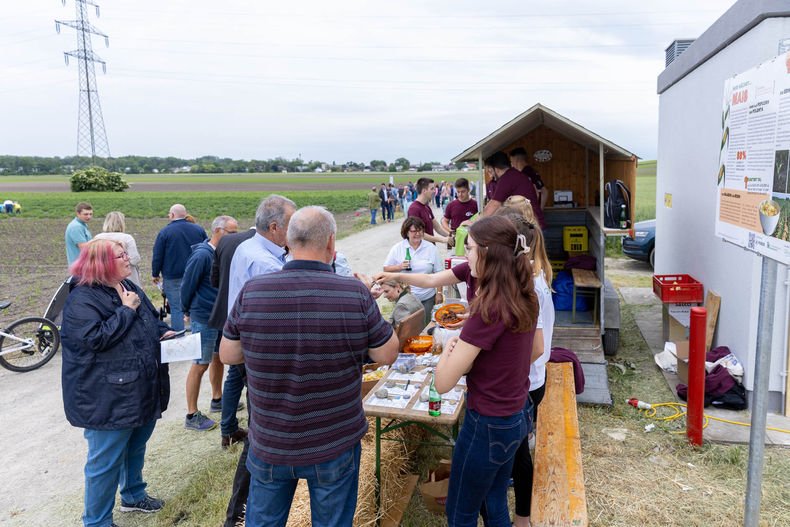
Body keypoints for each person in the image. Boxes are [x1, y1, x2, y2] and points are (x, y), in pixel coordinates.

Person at [219, 206, 398, 527]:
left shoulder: (253, 291)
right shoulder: (355, 293)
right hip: (334, 441)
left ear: (288, 241)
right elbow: (387, 354)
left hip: (271, 441)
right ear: (331, 243)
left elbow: (228, 355)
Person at [433, 216, 541, 527]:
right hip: (517, 416)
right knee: (493, 501)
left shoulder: (487, 308)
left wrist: (447, 352)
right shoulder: (524, 293)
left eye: (467, 249)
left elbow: (443, 383)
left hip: (487, 424)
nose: (464, 256)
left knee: (460, 513)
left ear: (487, 252)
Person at [61, 239, 176, 527]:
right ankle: (97, 521)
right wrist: (125, 311)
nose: (128, 258)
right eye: (120, 255)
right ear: (102, 263)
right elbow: (93, 339)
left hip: (138, 387)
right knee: (104, 463)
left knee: (136, 446)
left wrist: (163, 332)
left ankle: (133, 495)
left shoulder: (129, 287)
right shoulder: (82, 298)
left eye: (126, 253)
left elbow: (150, 318)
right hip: (107, 395)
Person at [494, 208, 554, 527]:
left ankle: (523, 518)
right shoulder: (527, 276)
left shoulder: (531, 285)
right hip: (528, 378)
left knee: (519, 454)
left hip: (528, 381)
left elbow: (537, 347)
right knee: (515, 448)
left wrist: (500, 367)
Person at [208, 224, 256, 527]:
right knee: (242, 382)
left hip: (229, 322)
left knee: (232, 379)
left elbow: (215, 280)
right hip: (248, 336)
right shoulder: (265, 257)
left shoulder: (227, 242)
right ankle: (235, 428)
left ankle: (227, 428)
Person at [180, 215, 239, 432]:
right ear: (217, 231)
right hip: (203, 317)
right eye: (231, 233)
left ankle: (217, 399)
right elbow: (187, 285)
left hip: (218, 316)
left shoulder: (222, 252)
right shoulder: (202, 256)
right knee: (200, 363)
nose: (235, 237)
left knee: (218, 358)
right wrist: (186, 310)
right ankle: (191, 414)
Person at [151, 204, 208, 332]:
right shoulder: (198, 230)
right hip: (196, 274)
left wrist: (155, 273)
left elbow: (158, 255)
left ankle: (178, 336)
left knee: (176, 307)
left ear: (172, 215)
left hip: (173, 275)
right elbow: (207, 249)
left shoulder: (165, 232)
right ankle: (196, 334)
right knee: (195, 305)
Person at [383, 217, 444, 326]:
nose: (418, 233)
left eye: (420, 230)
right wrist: (399, 266)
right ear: (406, 232)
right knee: (407, 328)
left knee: (424, 326)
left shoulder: (431, 248)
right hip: (406, 298)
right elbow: (386, 269)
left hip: (427, 297)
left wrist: (439, 293)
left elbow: (439, 272)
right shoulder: (398, 248)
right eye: (414, 231)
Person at [483, 151, 546, 229]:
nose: (493, 177)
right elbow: (537, 194)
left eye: (490, 171)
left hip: (531, 228)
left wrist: (476, 222)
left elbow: (494, 204)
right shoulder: (516, 174)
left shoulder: (506, 178)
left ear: (496, 170)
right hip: (535, 224)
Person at [93, 211, 143, 287]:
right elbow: (134, 260)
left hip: (104, 278)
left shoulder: (97, 238)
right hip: (127, 279)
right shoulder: (127, 238)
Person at [407, 177, 451, 244]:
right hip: (420, 251)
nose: (434, 191)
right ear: (424, 190)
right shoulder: (414, 209)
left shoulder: (427, 207)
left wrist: (451, 235)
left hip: (430, 249)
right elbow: (418, 233)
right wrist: (442, 239)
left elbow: (438, 228)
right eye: (432, 189)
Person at [65, 202, 94, 266]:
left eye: (90, 214)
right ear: (78, 214)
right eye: (85, 214)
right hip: (80, 267)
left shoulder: (82, 225)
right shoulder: (76, 227)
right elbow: (84, 248)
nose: (89, 216)